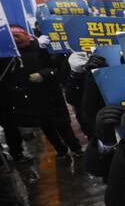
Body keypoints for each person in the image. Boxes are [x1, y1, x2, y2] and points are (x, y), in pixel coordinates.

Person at [6, 25, 83, 158]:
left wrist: (45, 74)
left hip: (51, 94)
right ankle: (60, 149)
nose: (16, 40)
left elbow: (60, 69)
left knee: (62, 124)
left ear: (26, 35)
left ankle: (76, 148)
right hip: (31, 97)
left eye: (17, 36)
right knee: (46, 126)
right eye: (12, 37)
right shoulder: (11, 55)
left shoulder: (43, 47)